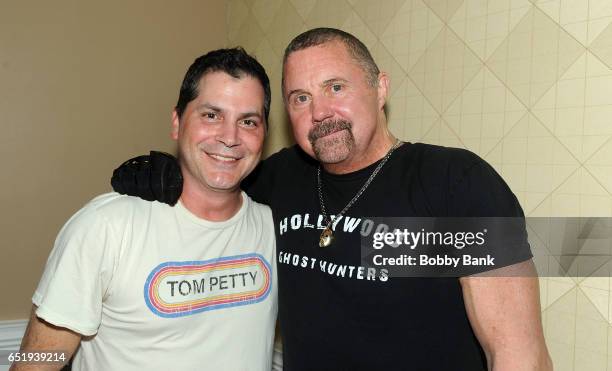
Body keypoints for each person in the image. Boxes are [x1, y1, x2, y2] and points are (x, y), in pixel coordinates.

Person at [112, 28, 552, 370]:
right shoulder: (276, 179)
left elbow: (517, 353)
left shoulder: (454, 183)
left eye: (335, 87)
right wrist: (167, 172)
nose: (319, 112)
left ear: (380, 89)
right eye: (300, 97)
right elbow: (214, 179)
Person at [12, 48, 277, 371]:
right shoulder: (105, 227)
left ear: (263, 134)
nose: (230, 137)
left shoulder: (274, 228)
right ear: (177, 123)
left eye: (248, 121)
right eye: (211, 115)